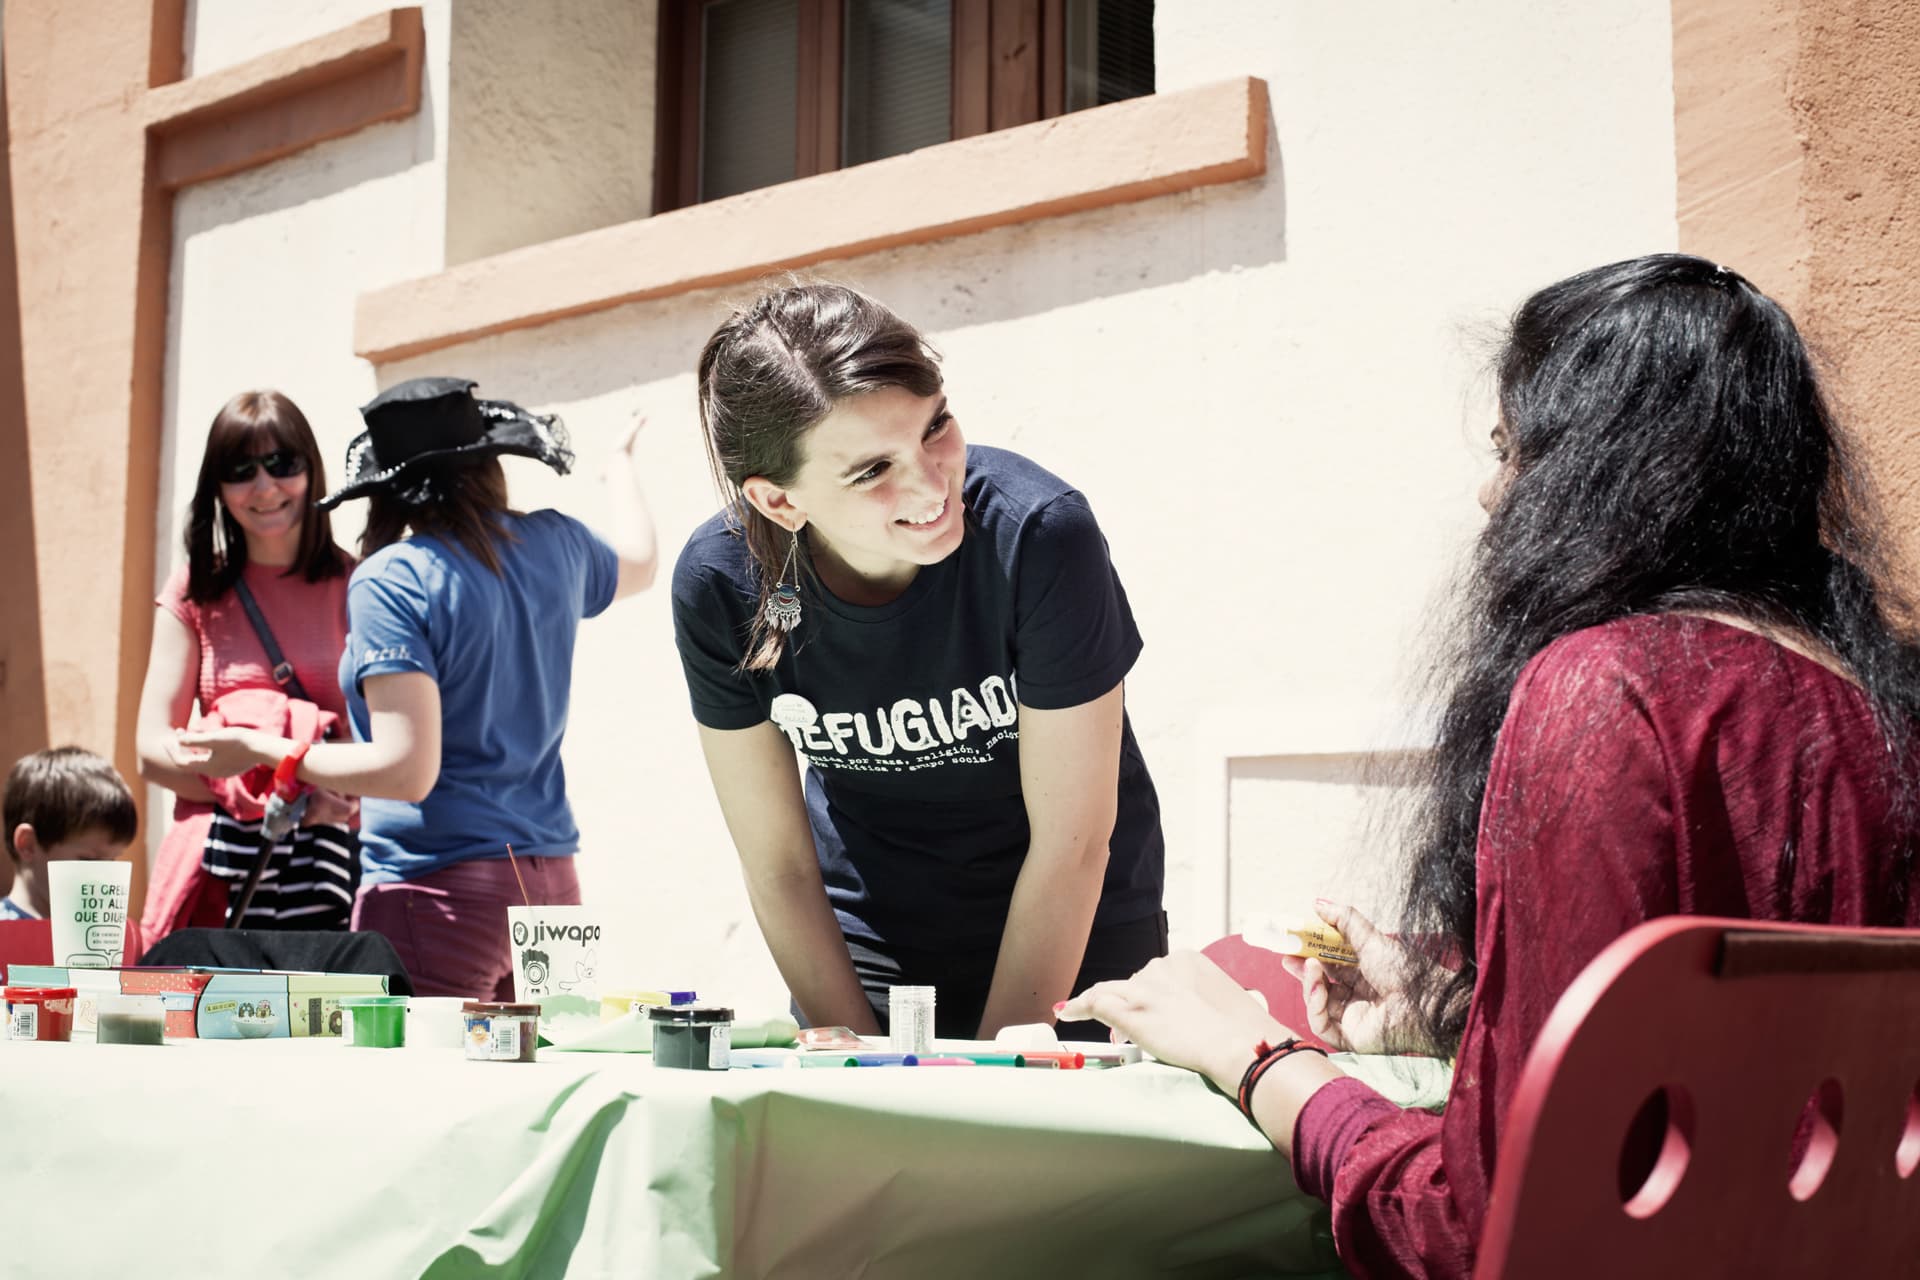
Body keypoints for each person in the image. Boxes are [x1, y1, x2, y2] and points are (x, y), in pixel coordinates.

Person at [1059, 254, 1920, 1278]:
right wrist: (1442, 1003)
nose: (1489, 492)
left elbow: (1480, 1229)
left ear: (1597, 476)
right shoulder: (1878, 700)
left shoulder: (1606, 693)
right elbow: (1738, 1071)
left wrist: (1249, 1054)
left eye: (1516, 449)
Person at [672, 282, 1166, 1041]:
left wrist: (994, 1072)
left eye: (936, 426)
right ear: (779, 503)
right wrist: (857, 1060)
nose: (933, 483)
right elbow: (779, 866)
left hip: (1078, 931)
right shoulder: (721, 586)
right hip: (868, 941)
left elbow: (1073, 844)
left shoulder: (1039, 536)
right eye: (872, 471)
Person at [176, 376, 657, 998]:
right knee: (548, 1085)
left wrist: (261, 750)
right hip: (553, 887)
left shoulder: (394, 579)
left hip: (436, 891)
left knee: (419, 1093)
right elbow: (641, 561)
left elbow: (407, 773)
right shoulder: (556, 544)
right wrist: (619, 466)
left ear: (387, 489)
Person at [137, 389, 358, 938]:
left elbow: (388, 751)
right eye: (240, 470)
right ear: (218, 485)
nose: (264, 488)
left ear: (312, 470)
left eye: (282, 464)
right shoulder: (196, 590)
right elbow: (150, 751)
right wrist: (270, 790)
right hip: (219, 873)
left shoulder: (359, 586)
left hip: (328, 874)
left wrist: (320, 795)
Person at [4, 747, 140, 935]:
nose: (103, 879)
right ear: (27, 844)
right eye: (89, 861)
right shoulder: (6, 936)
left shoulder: (104, 938)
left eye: (111, 861)